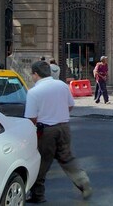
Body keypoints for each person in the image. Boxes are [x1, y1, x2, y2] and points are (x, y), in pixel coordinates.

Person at [24, 60, 92, 203]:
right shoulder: (62, 85)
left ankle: (38, 195)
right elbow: (70, 105)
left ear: (36, 74)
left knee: (42, 162)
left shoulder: (33, 92)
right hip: (64, 127)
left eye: (32, 74)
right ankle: (83, 181)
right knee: (67, 157)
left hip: (46, 131)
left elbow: (31, 118)